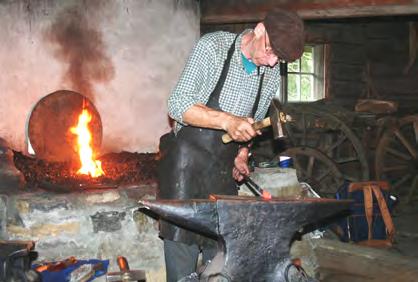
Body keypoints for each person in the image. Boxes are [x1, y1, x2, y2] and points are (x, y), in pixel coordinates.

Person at [158, 9, 305, 282]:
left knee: (223, 258)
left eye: (279, 59)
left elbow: (252, 124)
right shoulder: (213, 48)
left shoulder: (269, 74)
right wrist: (227, 121)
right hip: (185, 169)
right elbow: (178, 104)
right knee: (182, 257)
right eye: (271, 50)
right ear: (259, 30)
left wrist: (241, 155)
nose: (273, 62)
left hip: (222, 172)